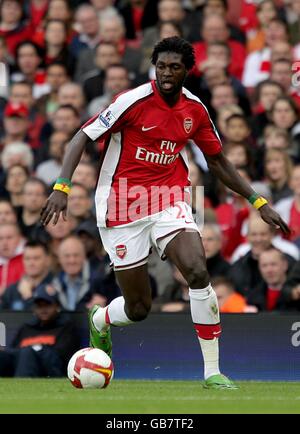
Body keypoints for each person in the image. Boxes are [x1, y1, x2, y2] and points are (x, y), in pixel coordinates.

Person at [40, 36, 289, 390]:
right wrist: (61, 186)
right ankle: (101, 318)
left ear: (188, 70)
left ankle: (212, 372)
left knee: (197, 270)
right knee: (139, 307)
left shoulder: (195, 110)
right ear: (153, 68)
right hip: (121, 203)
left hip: (169, 197)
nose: (166, 74)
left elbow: (216, 160)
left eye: (174, 67)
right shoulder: (133, 101)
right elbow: (81, 136)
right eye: (161, 66)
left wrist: (258, 202)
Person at [0, 283, 80, 377]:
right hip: (20, 367)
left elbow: (60, 360)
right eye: (39, 306)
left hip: (48, 373)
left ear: (57, 306)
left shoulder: (66, 328)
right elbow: (12, 354)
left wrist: (36, 350)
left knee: (27, 353)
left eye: (48, 305)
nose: (43, 309)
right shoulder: (27, 328)